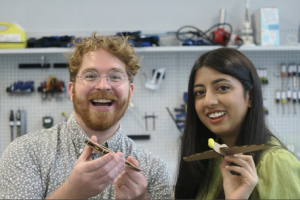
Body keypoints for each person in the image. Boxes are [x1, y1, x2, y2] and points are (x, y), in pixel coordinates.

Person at [0, 33, 172, 199]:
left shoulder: (153, 169)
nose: (103, 85)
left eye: (115, 76)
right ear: (71, 91)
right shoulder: (25, 153)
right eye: (90, 76)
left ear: (130, 92)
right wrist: (70, 193)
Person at [175, 48, 300, 199]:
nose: (208, 102)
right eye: (200, 92)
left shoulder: (275, 162)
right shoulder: (208, 160)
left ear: (250, 97)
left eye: (222, 88)